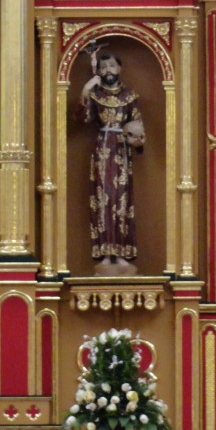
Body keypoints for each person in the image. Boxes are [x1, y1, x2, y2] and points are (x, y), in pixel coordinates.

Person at [80, 49, 144, 273]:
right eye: (104, 67)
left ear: (120, 69)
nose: (108, 71)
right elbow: (84, 117)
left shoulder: (130, 96)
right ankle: (106, 253)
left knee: (122, 200)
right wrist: (87, 89)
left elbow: (138, 128)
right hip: (102, 150)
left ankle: (122, 252)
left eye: (112, 67)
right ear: (98, 71)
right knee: (103, 199)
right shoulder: (96, 95)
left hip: (121, 152)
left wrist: (136, 139)